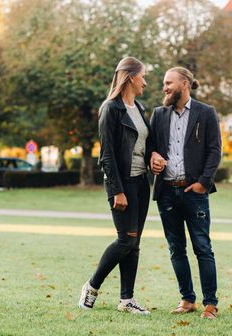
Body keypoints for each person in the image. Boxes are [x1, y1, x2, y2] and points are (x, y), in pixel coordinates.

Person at [78, 57, 154, 315]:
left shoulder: (139, 107)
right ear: (131, 77)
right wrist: (117, 190)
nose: (145, 81)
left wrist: (154, 156)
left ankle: (126, 300)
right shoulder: (111, 109)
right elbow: (107, 155)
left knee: (135, 243)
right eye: (143, 75)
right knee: (125, 241)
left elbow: (145, 144)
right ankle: (91, 286)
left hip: (142, 183)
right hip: (123, 185)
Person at [149, 67, 222, 319]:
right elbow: (151, 148)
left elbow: (215, 151)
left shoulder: (206, 112)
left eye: (169, 83)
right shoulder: (158, 114)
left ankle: (210, 304)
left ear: (185, 84)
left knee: (203, 247)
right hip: (166, 192)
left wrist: (203, 182)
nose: (165, 87)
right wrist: (153, 156)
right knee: (175, 249)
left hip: (195, 193)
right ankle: (187, 299)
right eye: (163, 84)